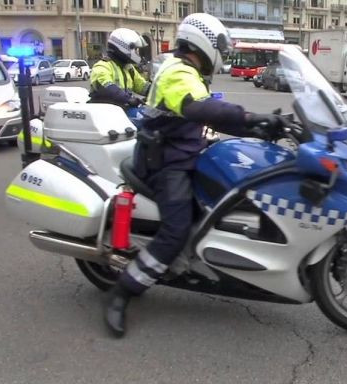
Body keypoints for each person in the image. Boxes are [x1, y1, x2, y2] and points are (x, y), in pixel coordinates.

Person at [103, 13, 283, 338]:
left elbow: (212, 116)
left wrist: (260, 127)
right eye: (221, 47)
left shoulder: (189, 71)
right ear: (203, 43)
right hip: (164, 163)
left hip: (183, 153)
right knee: (176, 229)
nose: (223, 55)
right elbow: (199, 109)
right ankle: (123, 292)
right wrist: (252, 116)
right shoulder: (177, 72)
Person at [89, 28, 149, 107]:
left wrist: (158, 91)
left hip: (122, 110)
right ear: (124, 46)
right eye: (135, 49)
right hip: (105, 113)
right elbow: (106, 86)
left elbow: (142, 86)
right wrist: (128, 99)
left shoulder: (128, 68)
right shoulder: (102, 66)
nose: (137, 53)